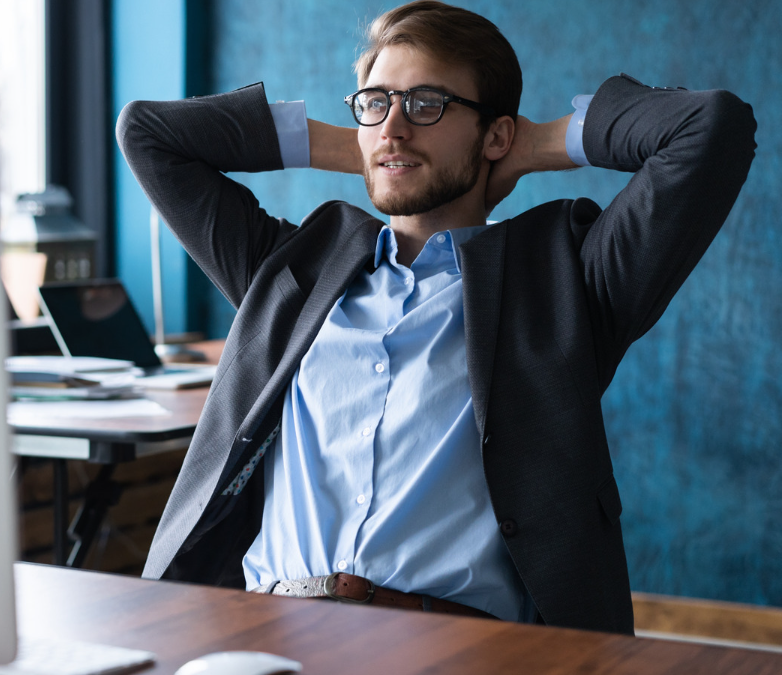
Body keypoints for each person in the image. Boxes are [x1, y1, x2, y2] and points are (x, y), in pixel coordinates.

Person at [115, 0, 755, 633]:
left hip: (453, 646)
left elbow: (710, 128)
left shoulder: (566, 280)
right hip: (272, 628)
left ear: (495, 133)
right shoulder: (291, 269)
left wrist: (532, 144)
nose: (395, 125)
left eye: (428, 104)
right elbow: (147, 134)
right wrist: (365, 148)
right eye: (374, 102)